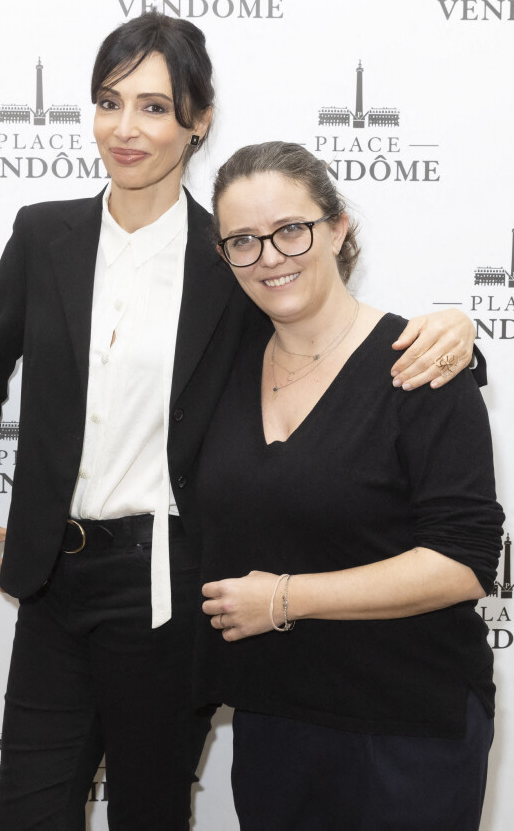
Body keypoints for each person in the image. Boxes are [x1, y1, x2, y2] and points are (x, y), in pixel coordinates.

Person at [0, 12, 481, 830]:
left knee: (150, 813)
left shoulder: (229, 255)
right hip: (53, 577)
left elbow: (327, 337)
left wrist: (463, 341)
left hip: (172, 583)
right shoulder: (42, 233)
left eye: (155, 107)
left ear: (198, 119)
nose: (126, 128)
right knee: (25, 813)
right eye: (109, 101)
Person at [198, 141, 504, 831]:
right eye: (243, 241)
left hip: (407, 724)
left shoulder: (421, 366)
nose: (270, 256)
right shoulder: (218, 373)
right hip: (275, 723)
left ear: (338, 228)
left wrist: (282, 597)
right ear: (223, 257)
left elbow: (462, 564)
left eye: (290, 230)